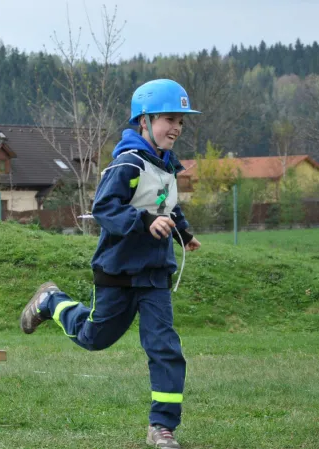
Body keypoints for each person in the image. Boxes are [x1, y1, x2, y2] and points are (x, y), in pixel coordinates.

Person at [19, 79, 202, 449]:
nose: (177, 127)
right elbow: (105, 208)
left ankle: (162, 426)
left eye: (181, 120)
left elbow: (166, 203)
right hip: (117, 271)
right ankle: (51, 301)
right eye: (170, 119)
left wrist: (182, 231)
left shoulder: (166, 166)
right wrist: (146, 222)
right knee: (94, 338)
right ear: (144, 121)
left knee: (164, 346)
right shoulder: (127, 163)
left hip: (154, 275)